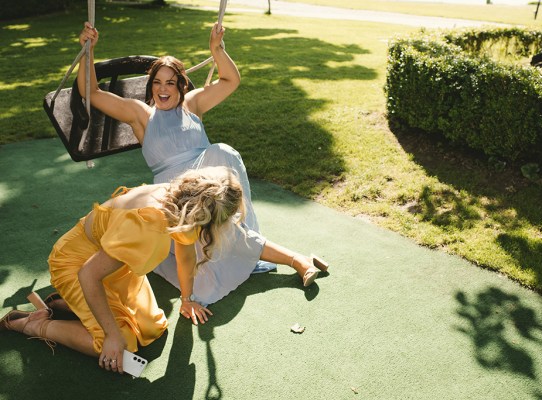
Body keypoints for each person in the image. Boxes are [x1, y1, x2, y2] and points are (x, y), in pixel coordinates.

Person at [76, 21, 327, 305]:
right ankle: (293, 259)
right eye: (157, 82)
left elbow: (231, 80)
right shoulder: (141, 115)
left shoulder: (192, 105)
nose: (163, 89)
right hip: (175, 194)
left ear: (181, 85)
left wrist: (216, 50)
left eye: (170, 82)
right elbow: (91, 93)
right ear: (151, 86)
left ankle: (288, 257)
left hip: (212, 184)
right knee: (206, 261)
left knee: (223, 153)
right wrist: (88, 50)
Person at [0, 166, 326, 373]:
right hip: (77, 264)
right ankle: (32, 324)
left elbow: (185, 256)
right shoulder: (149, 226)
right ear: (205, 216)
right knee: (122, 343)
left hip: (113, 265)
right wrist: (111, 335)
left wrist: (187, 298)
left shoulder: (181, 206)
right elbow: (89, 273)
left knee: (153, 326)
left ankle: (68, 305)